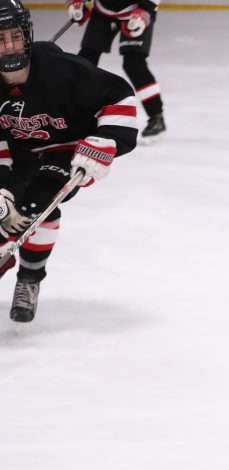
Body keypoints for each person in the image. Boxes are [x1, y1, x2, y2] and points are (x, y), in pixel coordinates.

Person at [0, 0, 138, 323]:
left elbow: (119, 95)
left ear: (27, 35)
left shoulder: (59, 70)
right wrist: (3, 188)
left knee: (36, 204)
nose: (9, 47)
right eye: (0, 40)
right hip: (21, 153)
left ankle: (29, 279)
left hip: (67, 149)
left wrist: (104, 141)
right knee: (8, 211)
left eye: (15, 37)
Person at [66, 0, 165, 141]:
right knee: (85, 61)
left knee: (134, 64)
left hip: (137, 10)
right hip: (104, 10)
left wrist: (147, 8)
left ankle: (156, 116)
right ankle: (69, 112)